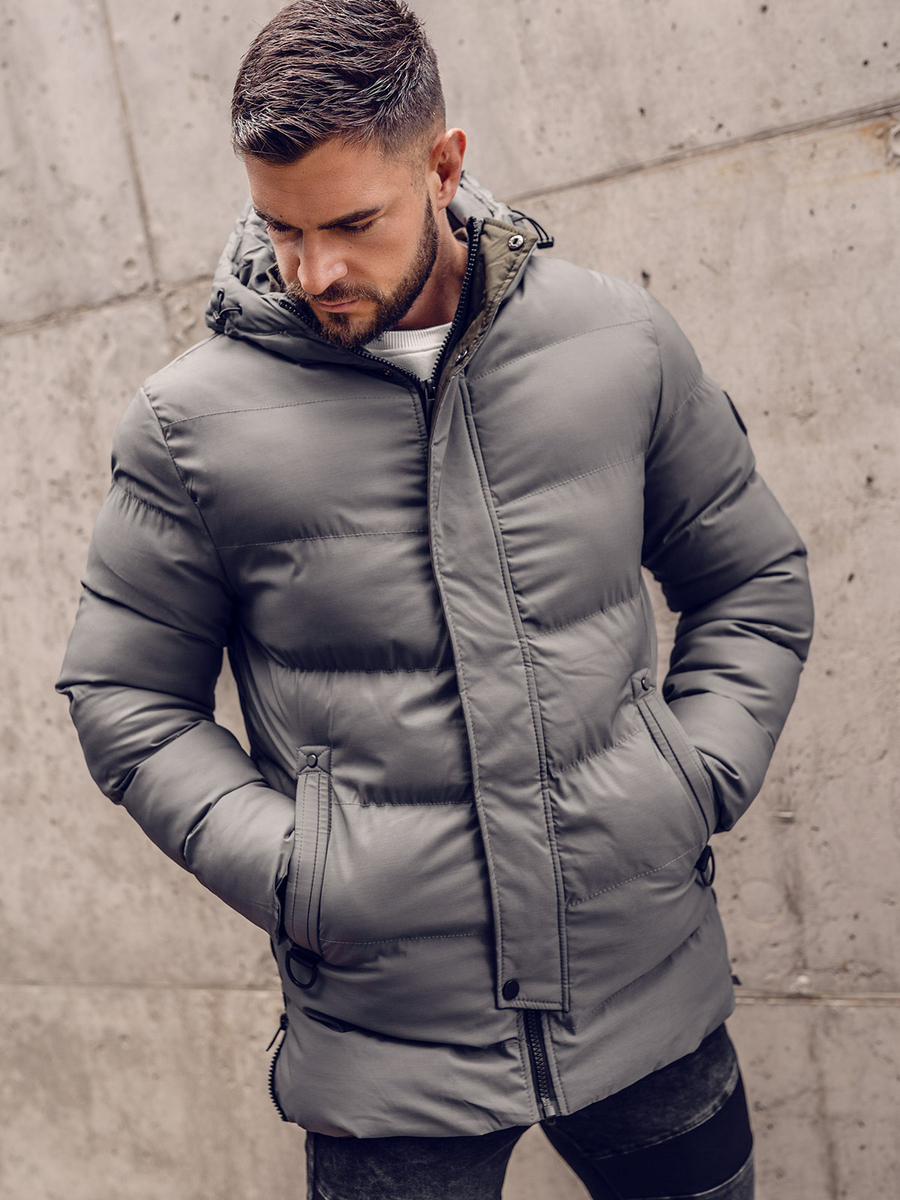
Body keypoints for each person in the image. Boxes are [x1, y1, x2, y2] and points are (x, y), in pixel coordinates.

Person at [57, 2, 813, 1197]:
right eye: (281, 228)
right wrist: (305, 871)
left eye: (352, 223)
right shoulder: (187, 426)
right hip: (385, 1057)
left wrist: (691, 778)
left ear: (443, 166)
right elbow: (124, 698)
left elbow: (750, 577)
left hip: (648, 995)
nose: (315, 271)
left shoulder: (617, 340)